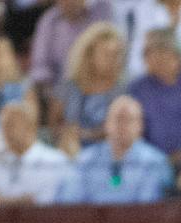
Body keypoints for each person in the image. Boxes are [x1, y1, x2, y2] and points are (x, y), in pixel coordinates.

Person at [61, 95, 173, 202]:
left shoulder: (156, 162)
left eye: (129, 119)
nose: (123, 125)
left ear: (140, 125)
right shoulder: (84, 161)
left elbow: (152, 206)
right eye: (118, 118)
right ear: (106, 124)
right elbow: (71, 202)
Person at [127, 27, 181, 162]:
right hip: (148, 160)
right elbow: (134, 130)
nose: (147, 59)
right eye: (146, 55)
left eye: (150, 53)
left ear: (175, 54)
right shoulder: (138, 88)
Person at [0, 100, 71, 205]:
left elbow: (45, 200)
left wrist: (1, 202)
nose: (5, 131)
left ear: (30, 126)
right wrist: (19, 201)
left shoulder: (55, 160)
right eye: (2, 126)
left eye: (10, 125)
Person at [52, 22, 126, 156]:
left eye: (117, 54)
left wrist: (86, 134)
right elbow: (54, 122)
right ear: (89, 55)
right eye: (107, 54)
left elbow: (123, 128)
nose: (114, 60)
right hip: (70, 153)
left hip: (108, 157)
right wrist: (67, 134)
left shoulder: (124, 89)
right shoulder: (68, 86)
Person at [27, 0, 113, 102]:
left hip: (93, 84)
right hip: (57, 89)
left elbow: (109, 47)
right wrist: (49, 94)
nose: (69, 3)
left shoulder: (100, 10)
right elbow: (40, 65)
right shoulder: (49, 20)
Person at [122, 0, 181, 80]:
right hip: (151, 79)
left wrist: (169, 64)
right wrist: (158, 67)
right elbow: (136, 61)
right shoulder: (145, 9)